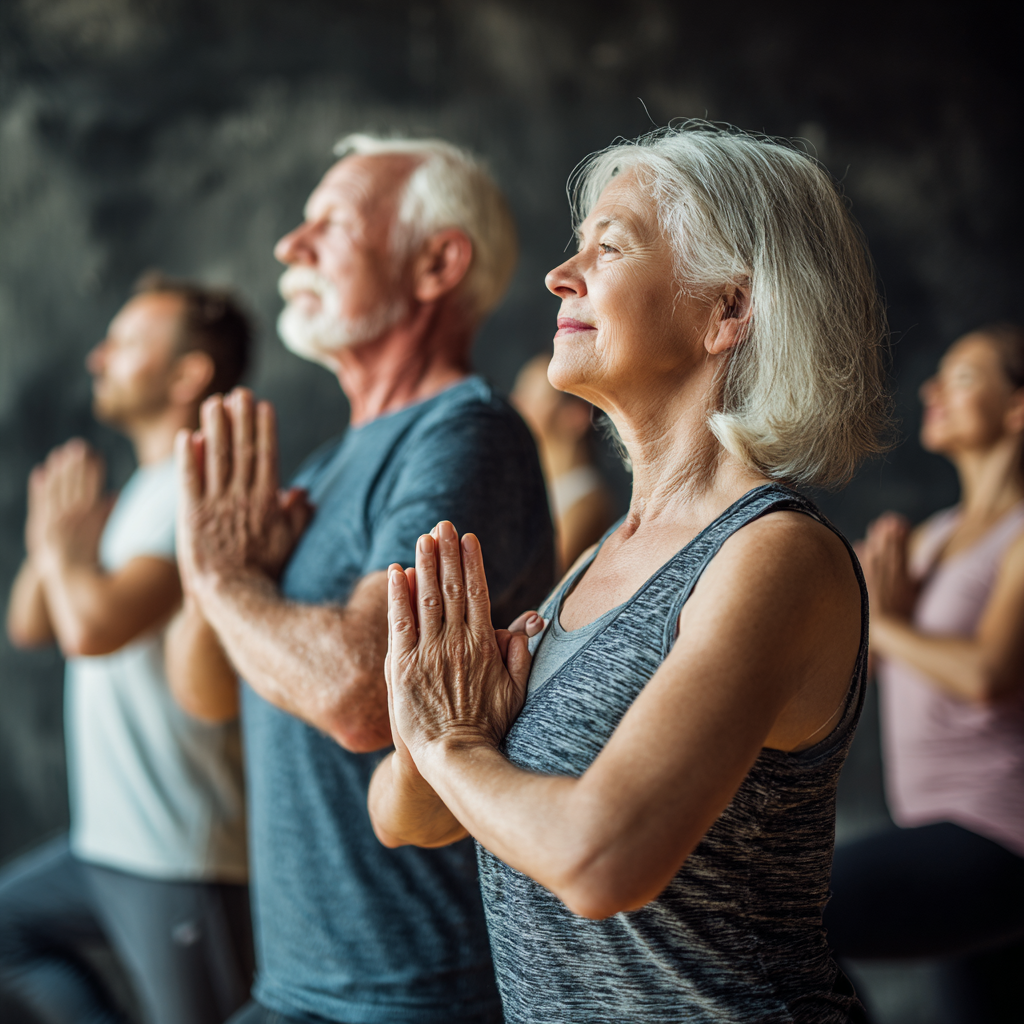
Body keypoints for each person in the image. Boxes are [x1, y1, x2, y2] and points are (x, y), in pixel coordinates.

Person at [368, 122, 892, 1023]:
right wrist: (442, 728)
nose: (559, 275)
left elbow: (600, 861)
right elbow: (404, 817)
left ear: (727, 311)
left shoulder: (775, 557)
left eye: (609, 246)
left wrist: (452, 747)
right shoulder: (601, 559)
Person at [166, 135, 554, 1024]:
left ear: (436, 264)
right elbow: (207, 693)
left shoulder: (465, 436)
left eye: (330, 224)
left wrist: (226, 582)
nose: (288, 247)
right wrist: (225, 583)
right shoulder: (331, 459)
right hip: (296, 984)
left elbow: (356, 700)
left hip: (408, 994)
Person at [1, 274, 253, 1024]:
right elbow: (31, 623)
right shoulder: (143, 490)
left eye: (125, 343)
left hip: (177, 849)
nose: (97, 357)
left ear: (187, 376)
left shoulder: (196, 488)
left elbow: (91, 627)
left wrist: (57, 548)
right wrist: (58, 550)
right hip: (110, 839)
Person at [825, 324, 1024, 1023]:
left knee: (791, 917)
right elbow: (877, 661)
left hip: (999, 837)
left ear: (1017, 407)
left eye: (964, 378)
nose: (934, 391)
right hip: (935, 826)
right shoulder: (936, 535)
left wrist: (886, 622)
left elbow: (986, 675)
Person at [511, 352, 615, 572]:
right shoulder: (534, 491)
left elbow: (542, 581)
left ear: (575, 415)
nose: (515, 404)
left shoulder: (587, 504)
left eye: (532, 397)